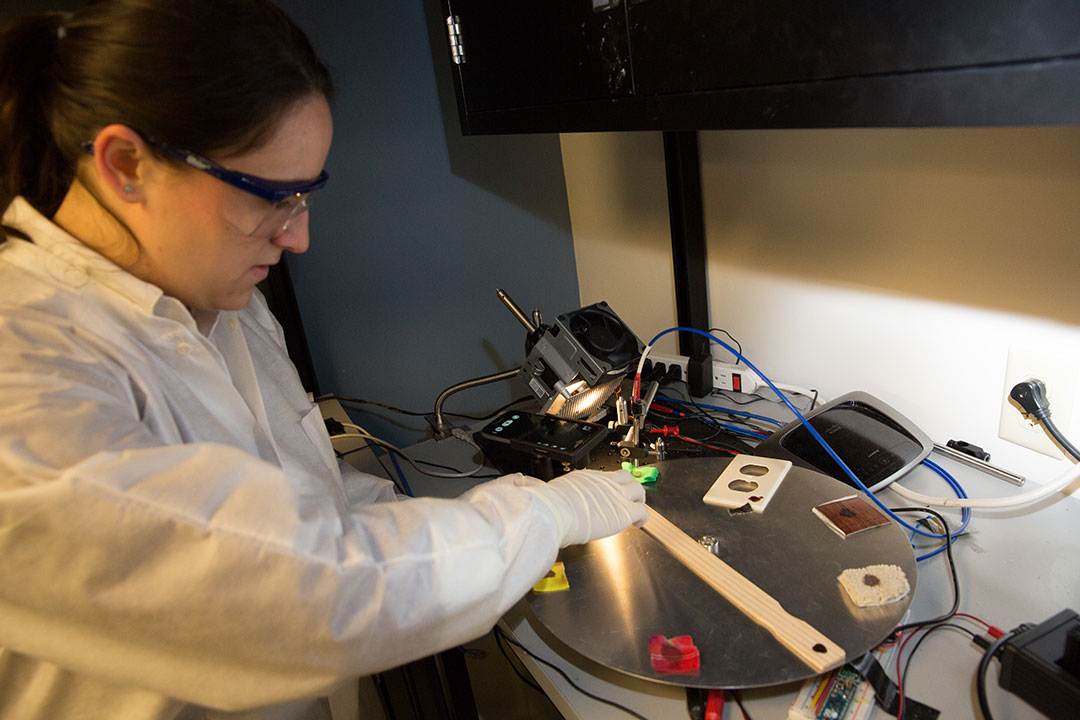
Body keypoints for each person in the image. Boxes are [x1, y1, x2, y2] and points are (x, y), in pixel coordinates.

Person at [0, 2, 648, 718]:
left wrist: (442, 529)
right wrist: (538, 515)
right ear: (127, 165)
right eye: (274, 198)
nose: (299, 237)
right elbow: (304, 592)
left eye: (307, 195)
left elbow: (310, 497)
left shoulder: (221, 302)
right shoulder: (25, 367)